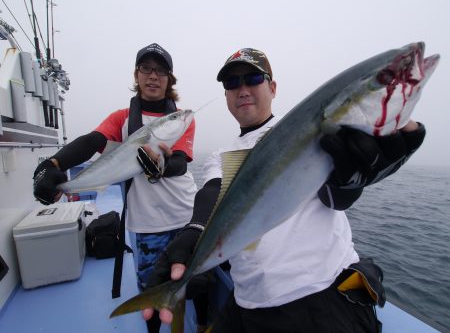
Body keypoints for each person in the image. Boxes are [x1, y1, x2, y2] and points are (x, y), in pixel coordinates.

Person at [142, 48, 426, 332]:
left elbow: (336, 194)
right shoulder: (222, 155)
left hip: (321, 297)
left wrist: (352, 180)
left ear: (273, 87)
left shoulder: (308, 129)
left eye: (253, 78)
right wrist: (194, 229)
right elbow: (213, 194)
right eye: (232, 83)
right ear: (226, 95)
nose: (242, 89)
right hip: (247, 304)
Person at [32, 43, 198, 333]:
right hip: (147, 224)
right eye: (146, 68)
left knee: (195, 285)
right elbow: (90, 142)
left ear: (170, 79)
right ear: (137, 74)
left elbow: (180, 163)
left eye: (161, 71)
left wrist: (161, 166)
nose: (153, 76)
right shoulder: (122, 118)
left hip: (186, 215)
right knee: (153, 296)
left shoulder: (181, 118)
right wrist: (53, 164)